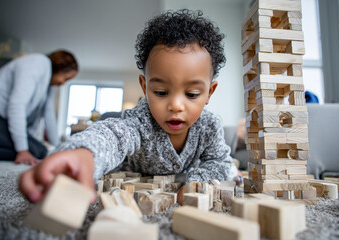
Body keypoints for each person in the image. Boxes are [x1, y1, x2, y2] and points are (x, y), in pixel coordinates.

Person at [19, 9, 238, 203]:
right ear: (145, 87)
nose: (175, 105)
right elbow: (113, 136)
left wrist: (197, 182)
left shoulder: (209, 125)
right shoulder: (140, 120)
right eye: (161, 92)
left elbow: (219, 161)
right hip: (132, 177)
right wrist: (84, 154)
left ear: (209, 92)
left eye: (191, 94)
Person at [0, 50, 78, 165]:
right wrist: (22, 150)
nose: (63, 83)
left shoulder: (48, 79)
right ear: (61, 69)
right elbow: (16, 106)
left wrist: (59, 148)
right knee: (33, 151)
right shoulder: (36, 64)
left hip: (0, 121)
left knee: (41, 151)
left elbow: (49, 114)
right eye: (66, 78)